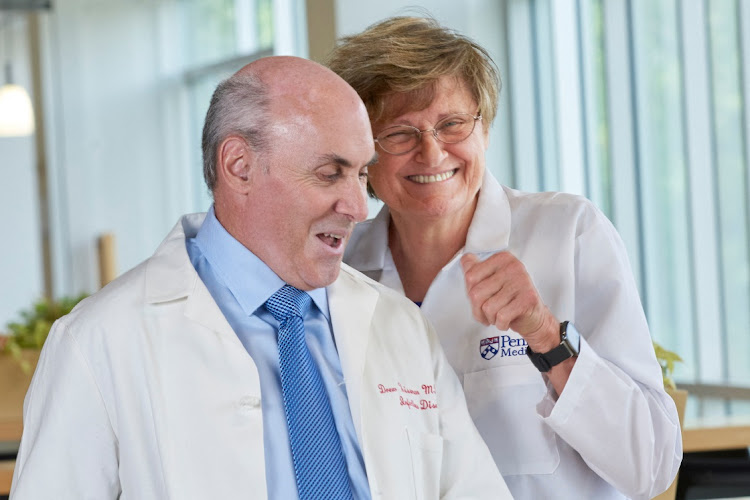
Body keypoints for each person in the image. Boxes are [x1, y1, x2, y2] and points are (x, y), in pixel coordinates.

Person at [10, 56, 512, 499]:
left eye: (362, 174)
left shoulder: (400, 325)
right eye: (330, 173)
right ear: (239, 165)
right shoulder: (98, 343)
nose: (359, 207)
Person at [326, 16, 682, 500]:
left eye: (452, 124)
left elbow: (651, 465)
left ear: (485, 129)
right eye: (400, 133)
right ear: (363, 154)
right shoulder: (335, 270)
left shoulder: (567, 232)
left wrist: (545, 335)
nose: (432, 153)